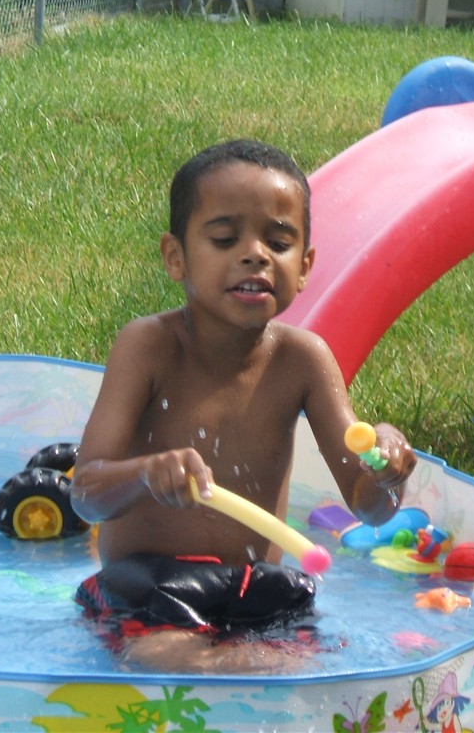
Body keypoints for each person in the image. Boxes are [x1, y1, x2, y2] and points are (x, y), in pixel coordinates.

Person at [70, 139, 417, 673]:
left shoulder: (303, 360)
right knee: (170, 659)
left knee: (307, 671)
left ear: (305, 266)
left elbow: (369, 509)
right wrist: (146, 473)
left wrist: (386, 470)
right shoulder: (148, 347)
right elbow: (86, 494)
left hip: (257, 593)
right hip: (152, 589)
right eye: (225, 238)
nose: (255, 254)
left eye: (278, 242)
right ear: (175, 257)